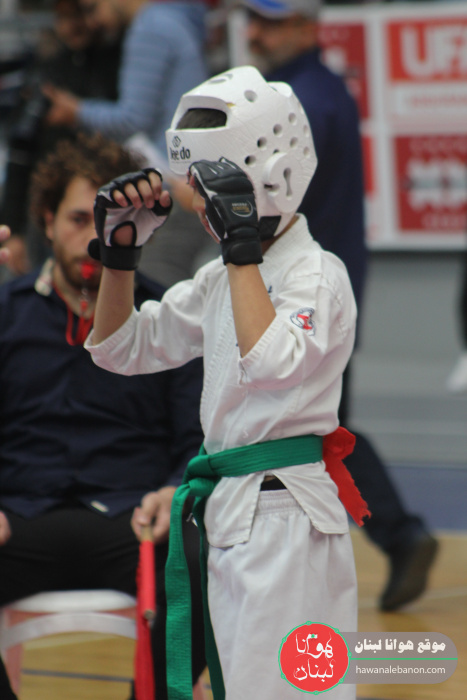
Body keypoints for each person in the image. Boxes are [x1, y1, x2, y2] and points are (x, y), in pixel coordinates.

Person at [85, 65, 369, 700]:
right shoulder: (221, 277)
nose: (199, 208)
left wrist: (241, 247)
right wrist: (120, 258)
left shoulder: (317, 275)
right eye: (197, 189)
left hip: (286, 513)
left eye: (211, 191)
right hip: (232, 508)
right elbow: (121, 348)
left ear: (270, 177)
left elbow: (271, 362)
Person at [237, 0, 439, 612]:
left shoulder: (301, 103)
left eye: (271, 21)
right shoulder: (316, 92)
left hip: (303, 293)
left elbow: (267, 199)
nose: (256, 32)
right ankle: (397, 536)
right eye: (253, 20)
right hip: (317, 287)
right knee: (321, 426)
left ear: (307, 25)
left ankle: (394, 536)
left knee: (318, 430)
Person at [0, 133, 206, 700]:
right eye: (76, 219)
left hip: (135, 519)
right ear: (46, 222)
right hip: (17, 516)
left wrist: (174, 489)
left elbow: (197, 439)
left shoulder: (170, 318)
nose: (93, 238)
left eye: (107, 223)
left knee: (203, 560)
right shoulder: (5, 314)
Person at [44, 0, 218, 287]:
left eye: (92, 7)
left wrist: (76, 111)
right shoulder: (174, 20)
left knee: (154, 294)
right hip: (183, 183)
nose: (94, 21)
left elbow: (132, 119)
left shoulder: (150, 27)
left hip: (168, 190)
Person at [0, 0, 123, 276]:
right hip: (49, 200)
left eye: (78, 16)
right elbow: (21, 152)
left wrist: (78, 112)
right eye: (62, 18)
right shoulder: (47, 72)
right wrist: (13, 229)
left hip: (107, 198)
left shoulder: (116, 65)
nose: (71, 27)